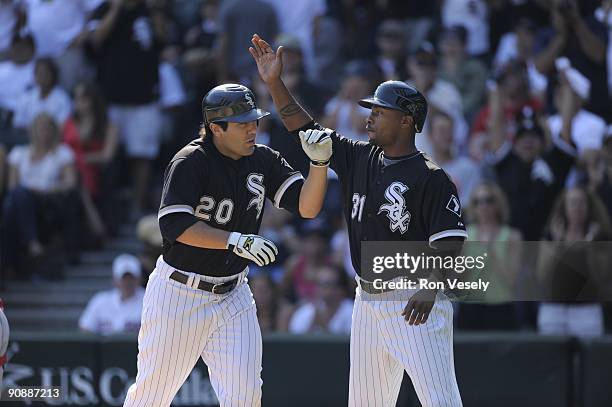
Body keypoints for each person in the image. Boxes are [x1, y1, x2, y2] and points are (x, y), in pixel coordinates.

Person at [251, 33, 465, 407]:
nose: (370, 117)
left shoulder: (431, 176)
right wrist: (275, 84)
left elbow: (451, 241)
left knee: (441, 401)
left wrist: (431, 287)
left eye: (379, 111)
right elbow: (305, 131)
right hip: (367, 299)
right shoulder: (358, 157)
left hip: (413, 298)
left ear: (406, 121)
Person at [123, 83, 331, 407]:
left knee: (245, 396)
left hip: (233, 293)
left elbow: (307, 206)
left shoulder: (262, 159)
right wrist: (233, 240)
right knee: (152, 396)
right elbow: (173, 225)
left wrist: (319, 166)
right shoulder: (191, 160)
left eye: (255, 120)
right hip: (180, 293)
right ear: (216, 128)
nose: (253, 129)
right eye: (243, 123)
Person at [79, 253, 145, 335]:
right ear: (114, 280)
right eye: (123, 278)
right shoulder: (100, 301)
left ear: (139, 279)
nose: (127, 283)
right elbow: (85, 329)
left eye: (131, 278)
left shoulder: (149, 300)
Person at [289, 265, 353, 335]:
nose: (321, 289)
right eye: (319, 284)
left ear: (340, 289)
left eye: (327, 284)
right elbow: (295, 340)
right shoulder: (307, 311)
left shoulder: (351, 311)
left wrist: (323, 326)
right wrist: (312, 324)